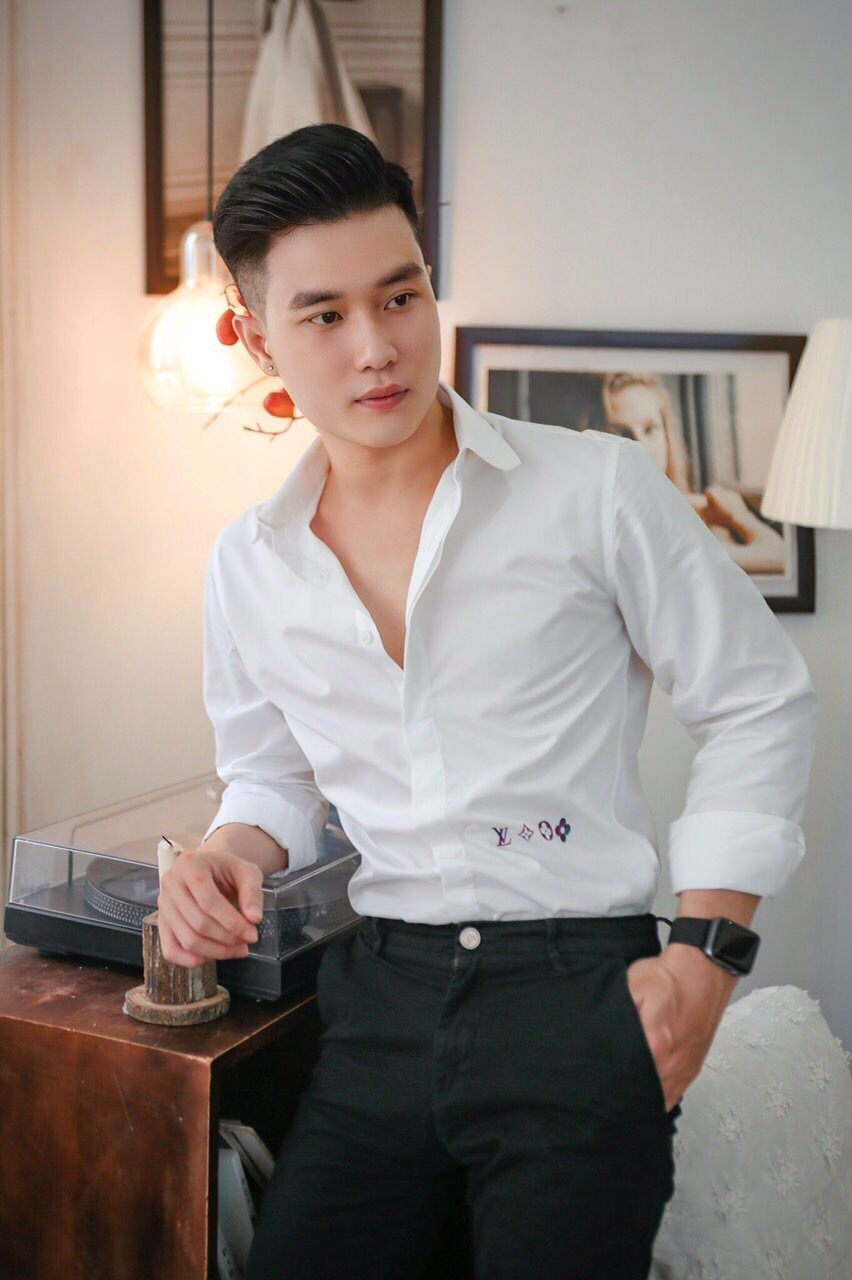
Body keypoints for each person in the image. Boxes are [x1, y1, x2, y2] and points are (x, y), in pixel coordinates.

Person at [156, 123, 818, 1279]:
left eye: (399, 295)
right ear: (259, 339)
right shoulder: (247, 564)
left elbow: (757, 701)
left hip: (578, 993)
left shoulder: (597, 489)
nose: (378, 347)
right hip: (380, 1004)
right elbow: (270, 777)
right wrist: (222, 855)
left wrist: (708, 955)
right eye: (324, 315)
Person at [601, 371, 787, 574]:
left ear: (666, 435)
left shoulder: (701, 510)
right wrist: (737, 516)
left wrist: (730, 513)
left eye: (650, 429)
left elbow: (782, 559)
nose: (641, 446)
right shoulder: (617, 527)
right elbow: (778, 558)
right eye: (621, 434)